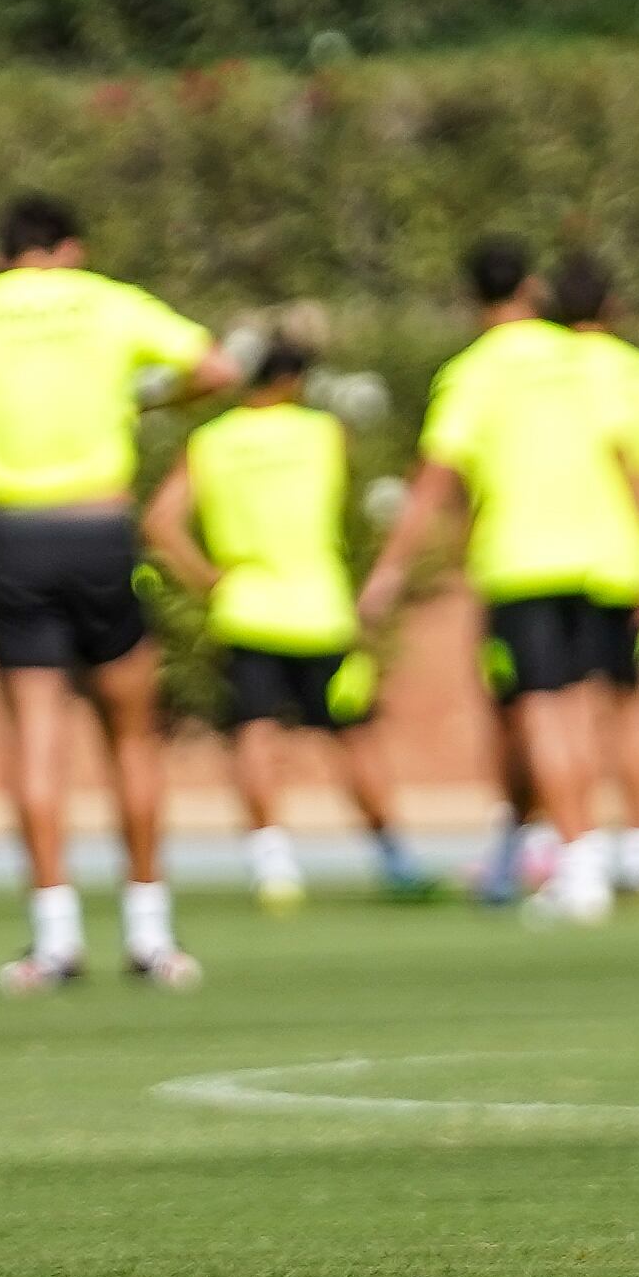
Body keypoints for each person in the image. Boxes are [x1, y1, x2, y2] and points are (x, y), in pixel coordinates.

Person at [0, 193, 236, 993]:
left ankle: (55, 939)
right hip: (99, 529)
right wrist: (151, 400)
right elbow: (214, 366)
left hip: (16, 536)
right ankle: (151, 934)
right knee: (132, 731)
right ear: (70, 248)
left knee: (38, 737)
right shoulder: (107, 301)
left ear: (3, 252)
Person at [360, 238, 639, 926]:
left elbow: (432, 483)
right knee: (580, 709)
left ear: (473, 299)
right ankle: (588, 858)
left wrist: (390, 570)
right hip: (599, 558)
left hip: (522, 560)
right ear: (531, 288)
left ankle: (577, 868)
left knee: (540, 713)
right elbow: (629, 461)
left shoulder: (474, 372)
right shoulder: (581, 360)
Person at [144, 336, 434, 908]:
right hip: (321, 610)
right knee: (354, 737)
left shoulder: (213, 441)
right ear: (295, 380)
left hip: (249, 610)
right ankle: (394, 859)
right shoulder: (324, 433)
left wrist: (208, 578)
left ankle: (273, 867)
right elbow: (371, 508)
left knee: (256, 734)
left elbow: (161, 522)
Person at [543, 253, 639, 898]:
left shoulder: (539, 373)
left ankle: (581, 846)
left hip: (547, 556)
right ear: (613, 307)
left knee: (561, 705)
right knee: (629, 703)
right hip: (624, 559)